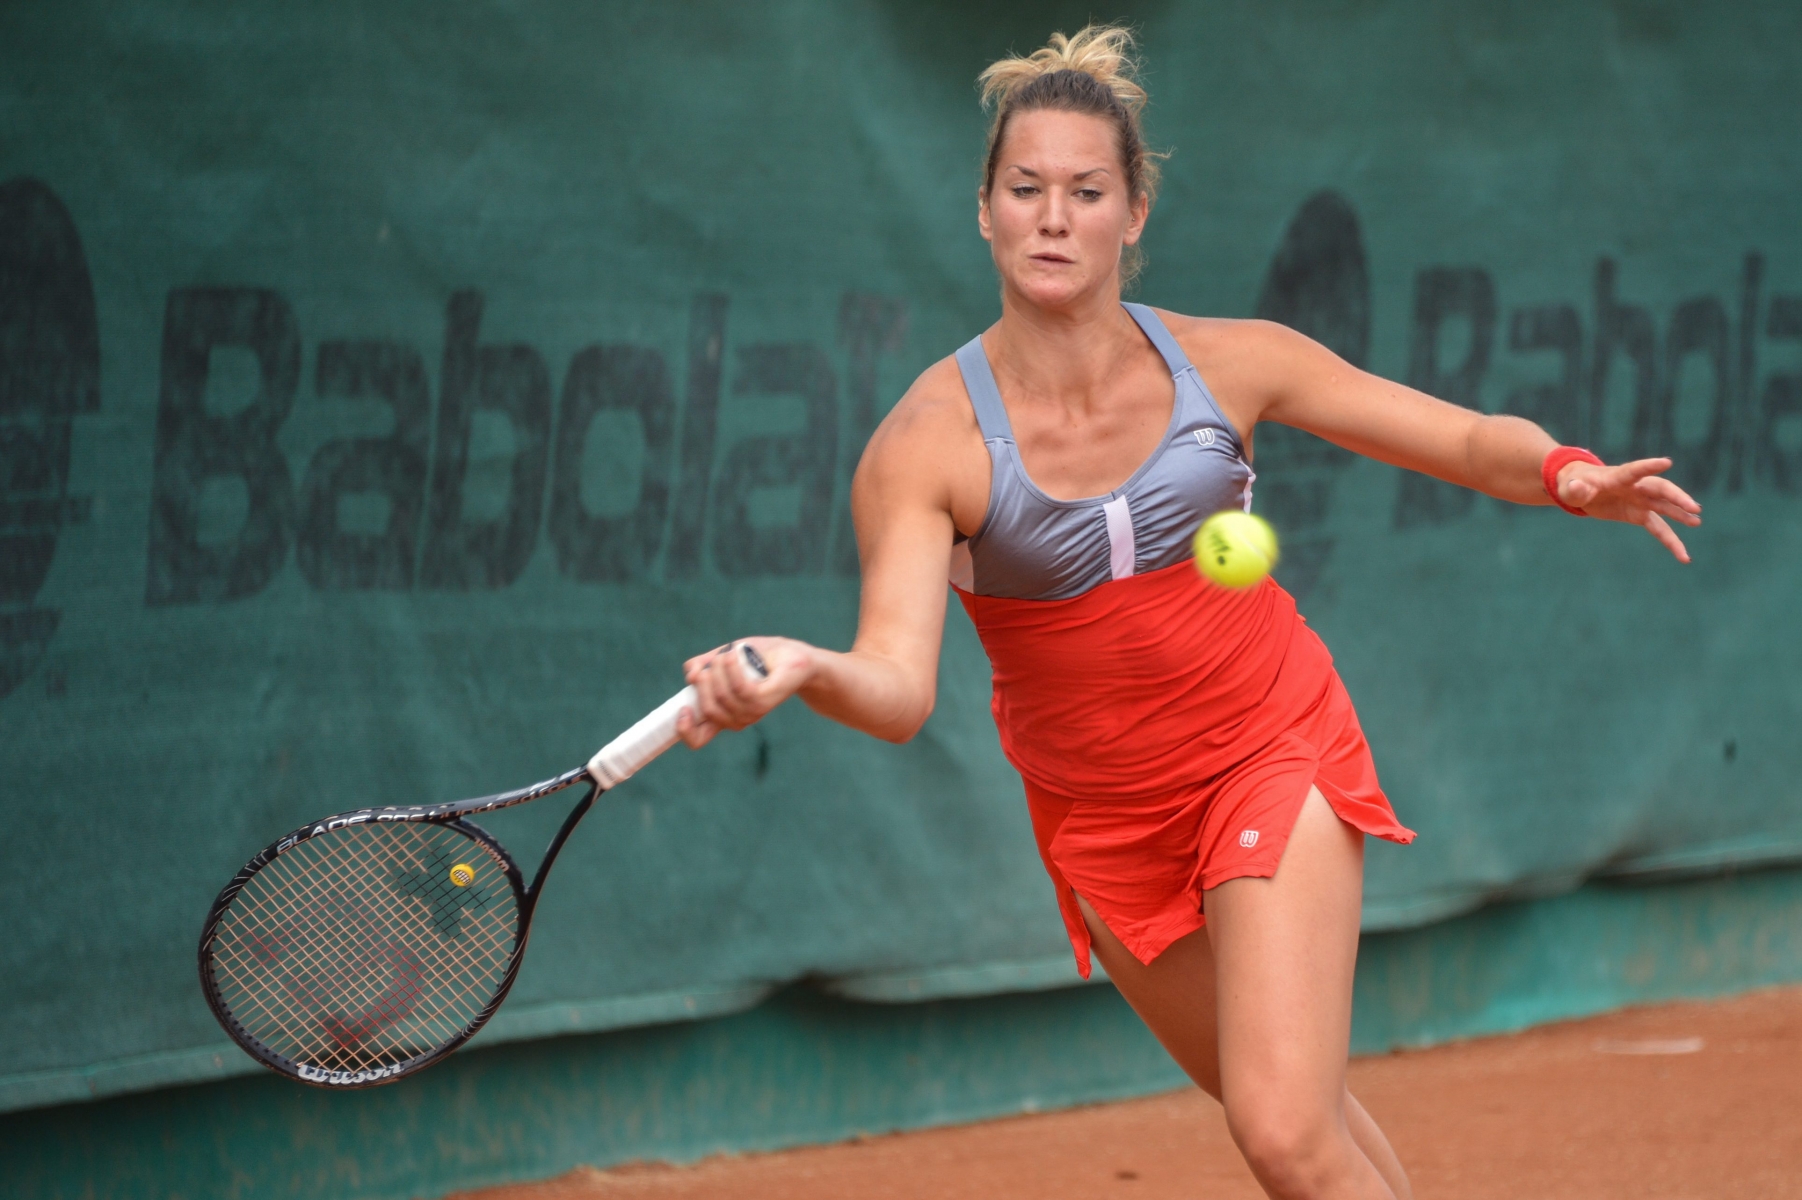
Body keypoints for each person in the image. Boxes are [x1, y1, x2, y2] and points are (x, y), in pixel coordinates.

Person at [673, 26, 1700, 1200]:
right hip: (1102, 825)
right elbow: (898, 687)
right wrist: (807, 667)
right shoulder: (924, 446)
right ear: (983, 212)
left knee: (1277, 1130)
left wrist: (1567, 472)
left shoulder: (1232, 363)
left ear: (1133, 212)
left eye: (1084, 191)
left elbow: (1457, 437)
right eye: (1024, 190)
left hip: (1269, 746)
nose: (1052, 218)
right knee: (1301, 1117)